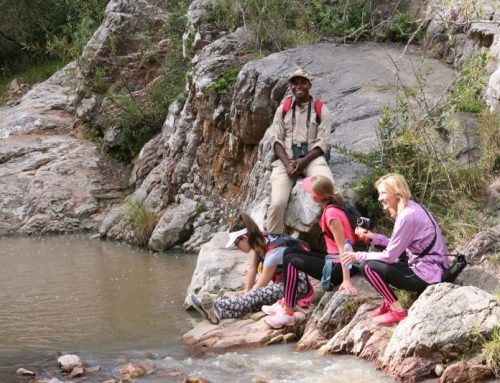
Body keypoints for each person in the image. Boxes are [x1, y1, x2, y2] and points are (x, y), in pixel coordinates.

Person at [341, 173, 450, 326]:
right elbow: (397, 245)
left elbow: (390, 256)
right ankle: (388, 302)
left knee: (367, 266)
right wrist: (373, 237)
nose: (379, 199)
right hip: (430, 266)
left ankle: (398, 311)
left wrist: (358, 255)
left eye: (383, 193)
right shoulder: (411, 208)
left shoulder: (407, 216)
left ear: (397, 193)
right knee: (375, 251)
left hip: (429, 274)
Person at [264, 175, 358, 329]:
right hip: (334, 260)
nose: (308, 194)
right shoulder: (335, 206)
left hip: (338, 269)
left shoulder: (331, 215)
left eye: (310, 192)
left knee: (292, 262)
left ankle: (287, 313)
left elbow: (344, 248)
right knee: (289, 252)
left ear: (318, 197)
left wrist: (346, 280)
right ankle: (285, 301)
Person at [190, 213, 312, 325]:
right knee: (254, 304)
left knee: (255, 296)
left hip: (296, 285)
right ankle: (219, 313)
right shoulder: (260, 241)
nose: (238, 248)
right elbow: (253, 268)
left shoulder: (273, 252)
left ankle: (216, 305)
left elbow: (260, 286)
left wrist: (249, 293)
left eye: (237, 244)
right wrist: (246, 290)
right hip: (284, 286)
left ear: (245, 238)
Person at [266, 68, 335, 234]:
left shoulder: (320, 109)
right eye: (295, 83)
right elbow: (276, 140)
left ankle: (335, 238)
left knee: (331, 191)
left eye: (303, 82)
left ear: (309, 85)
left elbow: (322, 142)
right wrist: (288, 165)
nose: (299, 86)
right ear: (290, 86)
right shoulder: (283, 110)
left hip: (311, 159)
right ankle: (274, 241)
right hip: (286, 161)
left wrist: (303, 162)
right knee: (277, 203)